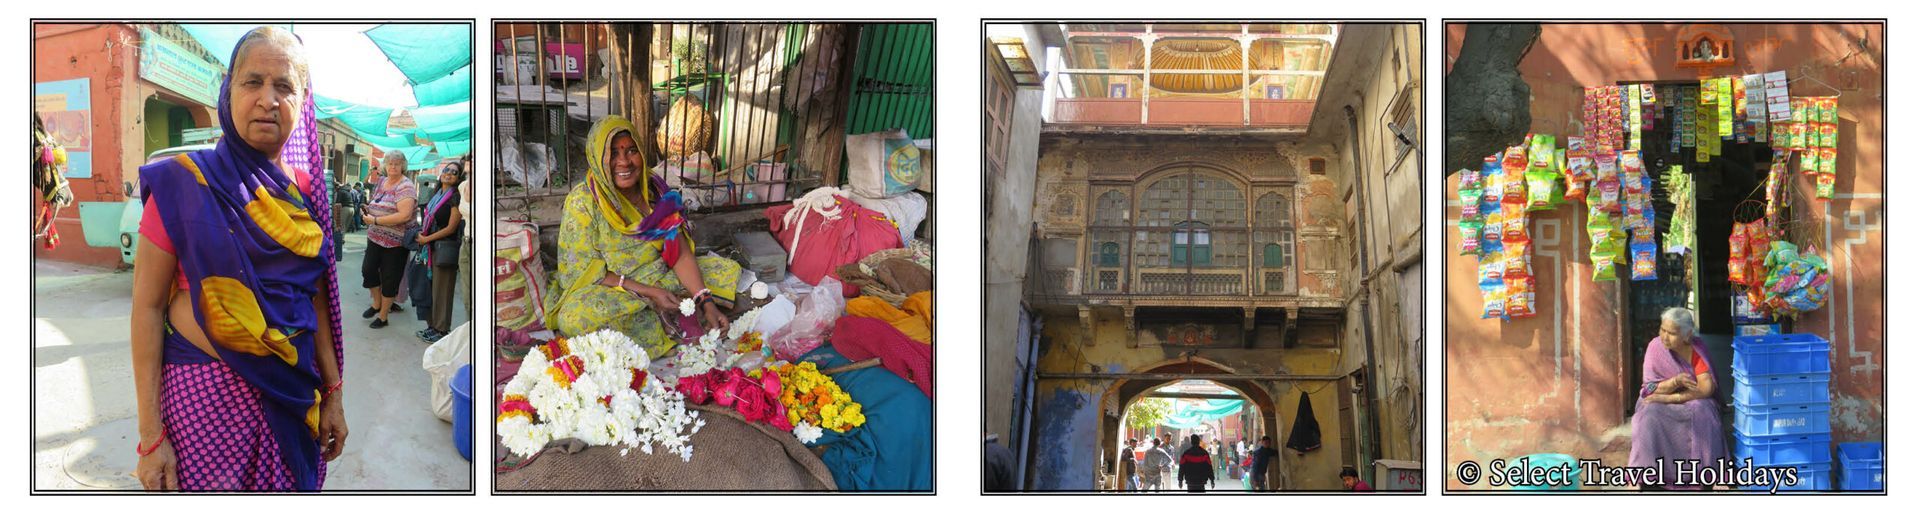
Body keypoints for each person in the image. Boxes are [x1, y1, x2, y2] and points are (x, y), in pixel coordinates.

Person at [130, 26, 347, 491]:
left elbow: (316, 302)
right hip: (201, 406)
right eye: (253, 82)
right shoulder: (183, 184)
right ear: (229, 91)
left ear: (301, 101)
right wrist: (151, 437)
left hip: (292, 397)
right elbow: (146, 308)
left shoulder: (309, 193)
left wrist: (333, 395)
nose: (268, 98)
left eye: (284, 86)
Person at [543, 116, 738, 358]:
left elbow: (677, 252)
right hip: (615, 287)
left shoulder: (654, 189)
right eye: (612, 153)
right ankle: (665, 317)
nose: (623, 162)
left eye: (631, 150)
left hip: (659, 276)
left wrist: (705, 300)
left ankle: (676, 309)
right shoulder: (583, 201)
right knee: (574, 318)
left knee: (725, 270)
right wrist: (649, 292)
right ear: (597, 158)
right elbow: (580, 271)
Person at [1628, 307, 1726, 490]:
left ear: (1687, 335)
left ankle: (1712, 475)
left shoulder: (1696, 349)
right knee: (1648, 415)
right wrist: (1674, 382)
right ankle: (1640, 476)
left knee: (1704, 411)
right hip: (1658, 398)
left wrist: (1675, 398)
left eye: (1672, 333)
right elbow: (1649, 389)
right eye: (1662, 330)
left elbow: (1706, 388)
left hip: (1690, 398)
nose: (1665, 336)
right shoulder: (1654, 347)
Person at [358, 152, 414, 328]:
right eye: (390, 164)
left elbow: (404, 215)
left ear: (403, 166)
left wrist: (375, 220)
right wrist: (370, 209)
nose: (393, 167)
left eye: (397, 164)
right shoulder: (382, 181)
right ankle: (376, 303)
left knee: (390, 279)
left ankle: (383, 317)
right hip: (374, 236)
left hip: (395, 242)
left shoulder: (406, 186)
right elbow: (379, 202)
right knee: (368, 270)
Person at [413, 162, 465, 342]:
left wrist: (427, 239)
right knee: (431, 289)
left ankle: (441, 329)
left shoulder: (455, 197)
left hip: (445, 247)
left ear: (459, 178)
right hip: (431, 248)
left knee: (442, 290)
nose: (449, 174)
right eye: (446, 170)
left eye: (454, 172)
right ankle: (432, 326)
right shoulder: (437, 194)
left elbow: (451, 228)